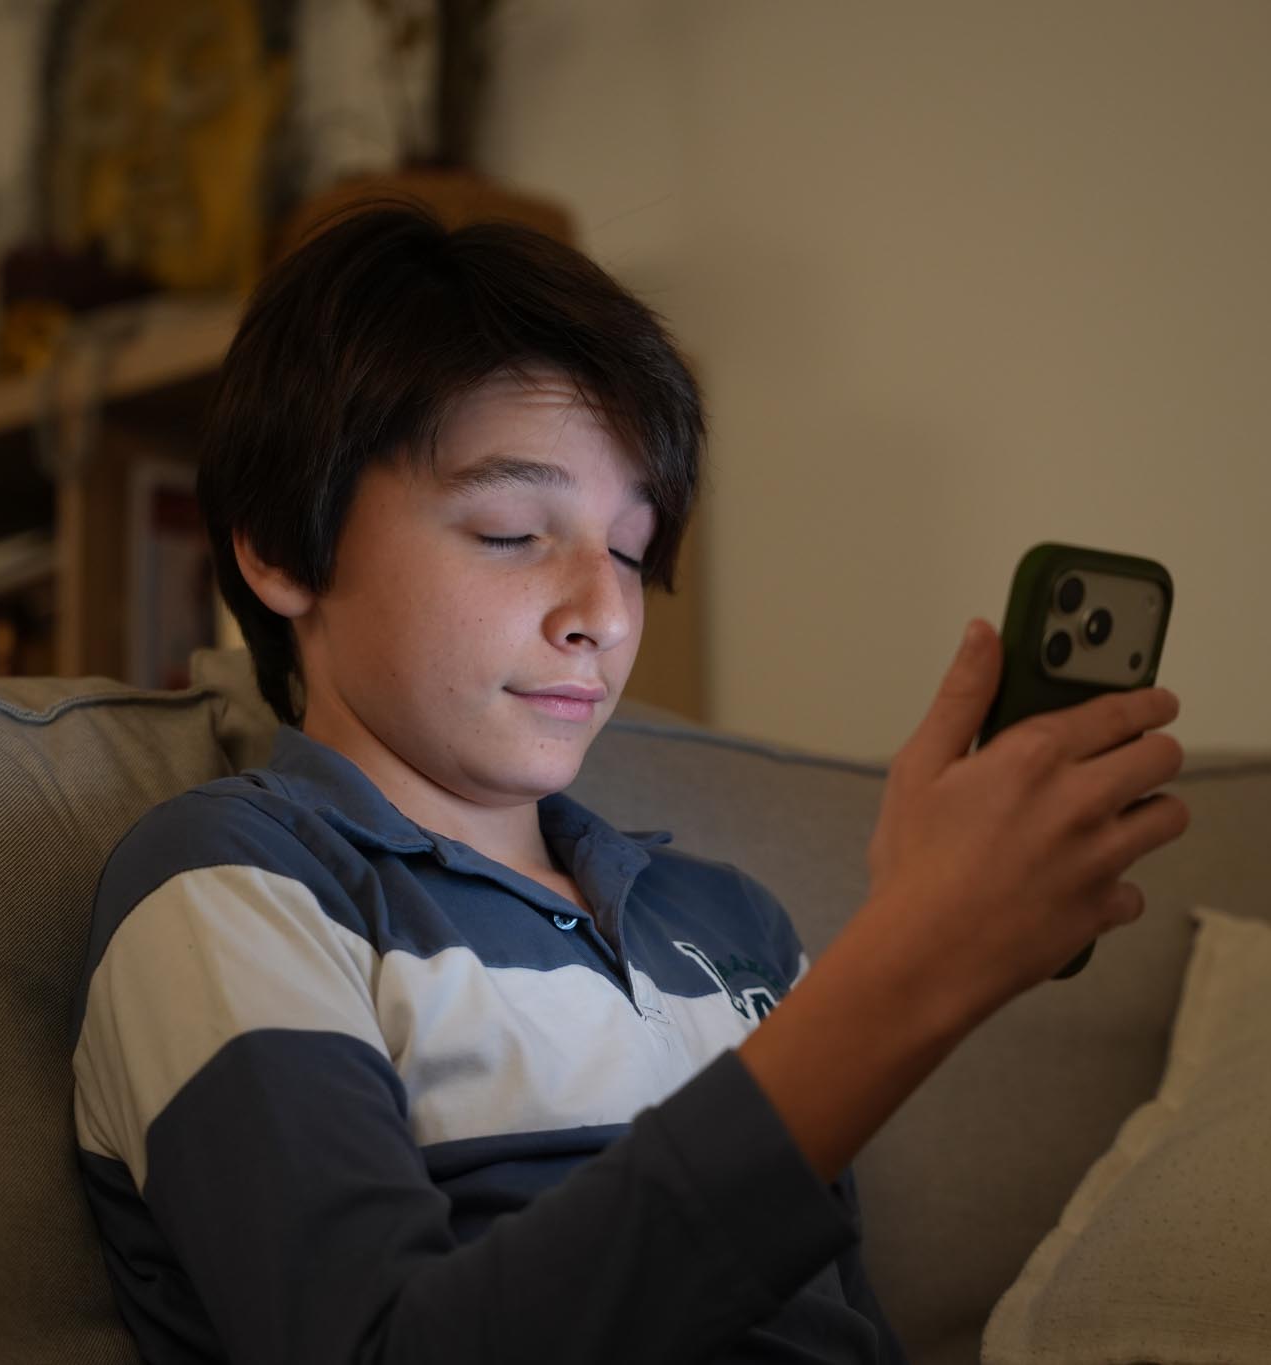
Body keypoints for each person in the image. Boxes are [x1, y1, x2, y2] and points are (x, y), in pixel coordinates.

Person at [69, 203, 1188, 1364]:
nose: (602, 615)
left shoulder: (731, 925)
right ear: (279, 550)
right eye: (510, 531)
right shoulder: (229, 887)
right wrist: (903, 979)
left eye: (631, 552)